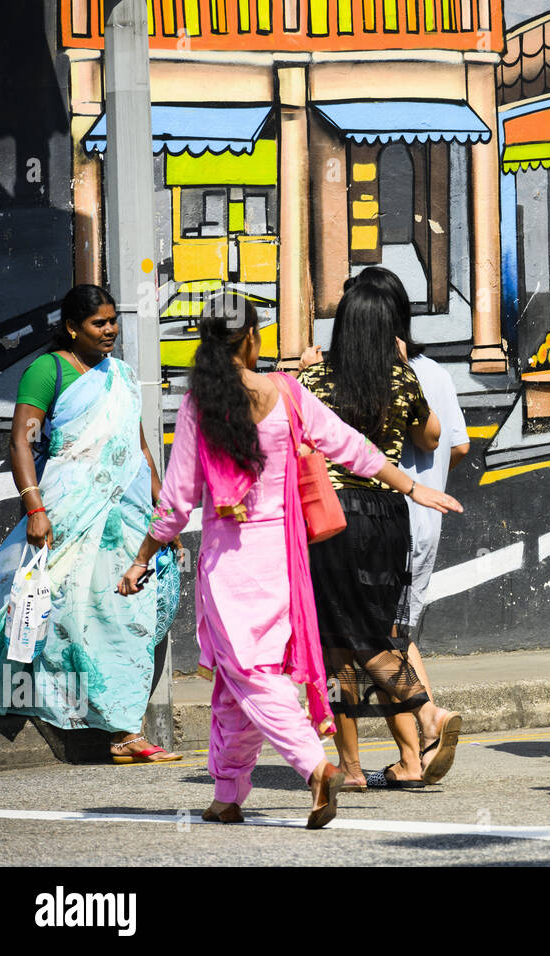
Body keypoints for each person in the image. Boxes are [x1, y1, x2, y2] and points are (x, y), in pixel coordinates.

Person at [119, 294, 460, 828]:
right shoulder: (287, 392)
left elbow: (177, 500)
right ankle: (228, 793)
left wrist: (143, 555)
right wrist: (413, 486)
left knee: (252, 674)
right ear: (251, 337)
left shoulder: (198, 406)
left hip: (230, 569)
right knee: (237, 683)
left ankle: (314, 767)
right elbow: (354, 448)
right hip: (285, 565)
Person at [0, 285, 180, 763]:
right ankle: (120, 731)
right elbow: (21, 442)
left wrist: (163, 506)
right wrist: (35, 508)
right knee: (80, 613)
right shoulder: (47, 371)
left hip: (128, 513)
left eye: (113, 320)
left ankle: (120, 724)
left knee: (132, 612)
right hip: (71, 512)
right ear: (73, 327)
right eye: (99, 323)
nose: (110, 329)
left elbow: (137, 446)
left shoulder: (124, 376)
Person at [298, 283, 462, 791]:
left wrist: (300, 371)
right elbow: (432, 438)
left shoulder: (315, 378)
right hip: (390, 514)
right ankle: (406, 758)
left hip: (331, 517)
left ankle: (397, 733)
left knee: (339, 642)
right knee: (383, 628)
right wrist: (403, 373)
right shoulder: (401, 375)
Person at [339, 268, 469, 787]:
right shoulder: (434, 372)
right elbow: (455, 446)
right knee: (392, 633)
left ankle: (427, 721)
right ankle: (411, 756)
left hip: (374, 524)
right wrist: (426, 478)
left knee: (376, 639)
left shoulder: (362, 376)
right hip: (424, 520)